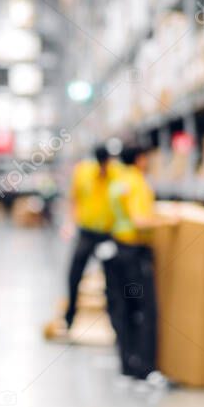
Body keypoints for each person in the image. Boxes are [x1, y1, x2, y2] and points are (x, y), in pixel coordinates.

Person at [106, 144, 163, 380]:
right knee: (146, 309)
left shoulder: (118, 182)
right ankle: (145, 368)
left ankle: (127, 364)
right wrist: (167, 221)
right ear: (139, 159)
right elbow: (140, 220)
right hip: (136, 256)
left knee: (126, 308)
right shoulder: (138, 183)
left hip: (119, 251)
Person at [59, 144, 122, 332]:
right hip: (86, 232)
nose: (105, 167)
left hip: (107, 235)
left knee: (112, 280)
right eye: (102, 163)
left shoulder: (117, 174)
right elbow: (74, 198)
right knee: (74, 275)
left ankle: (115, 323)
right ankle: (69, 317)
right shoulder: (83, 172)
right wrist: (70, 222)